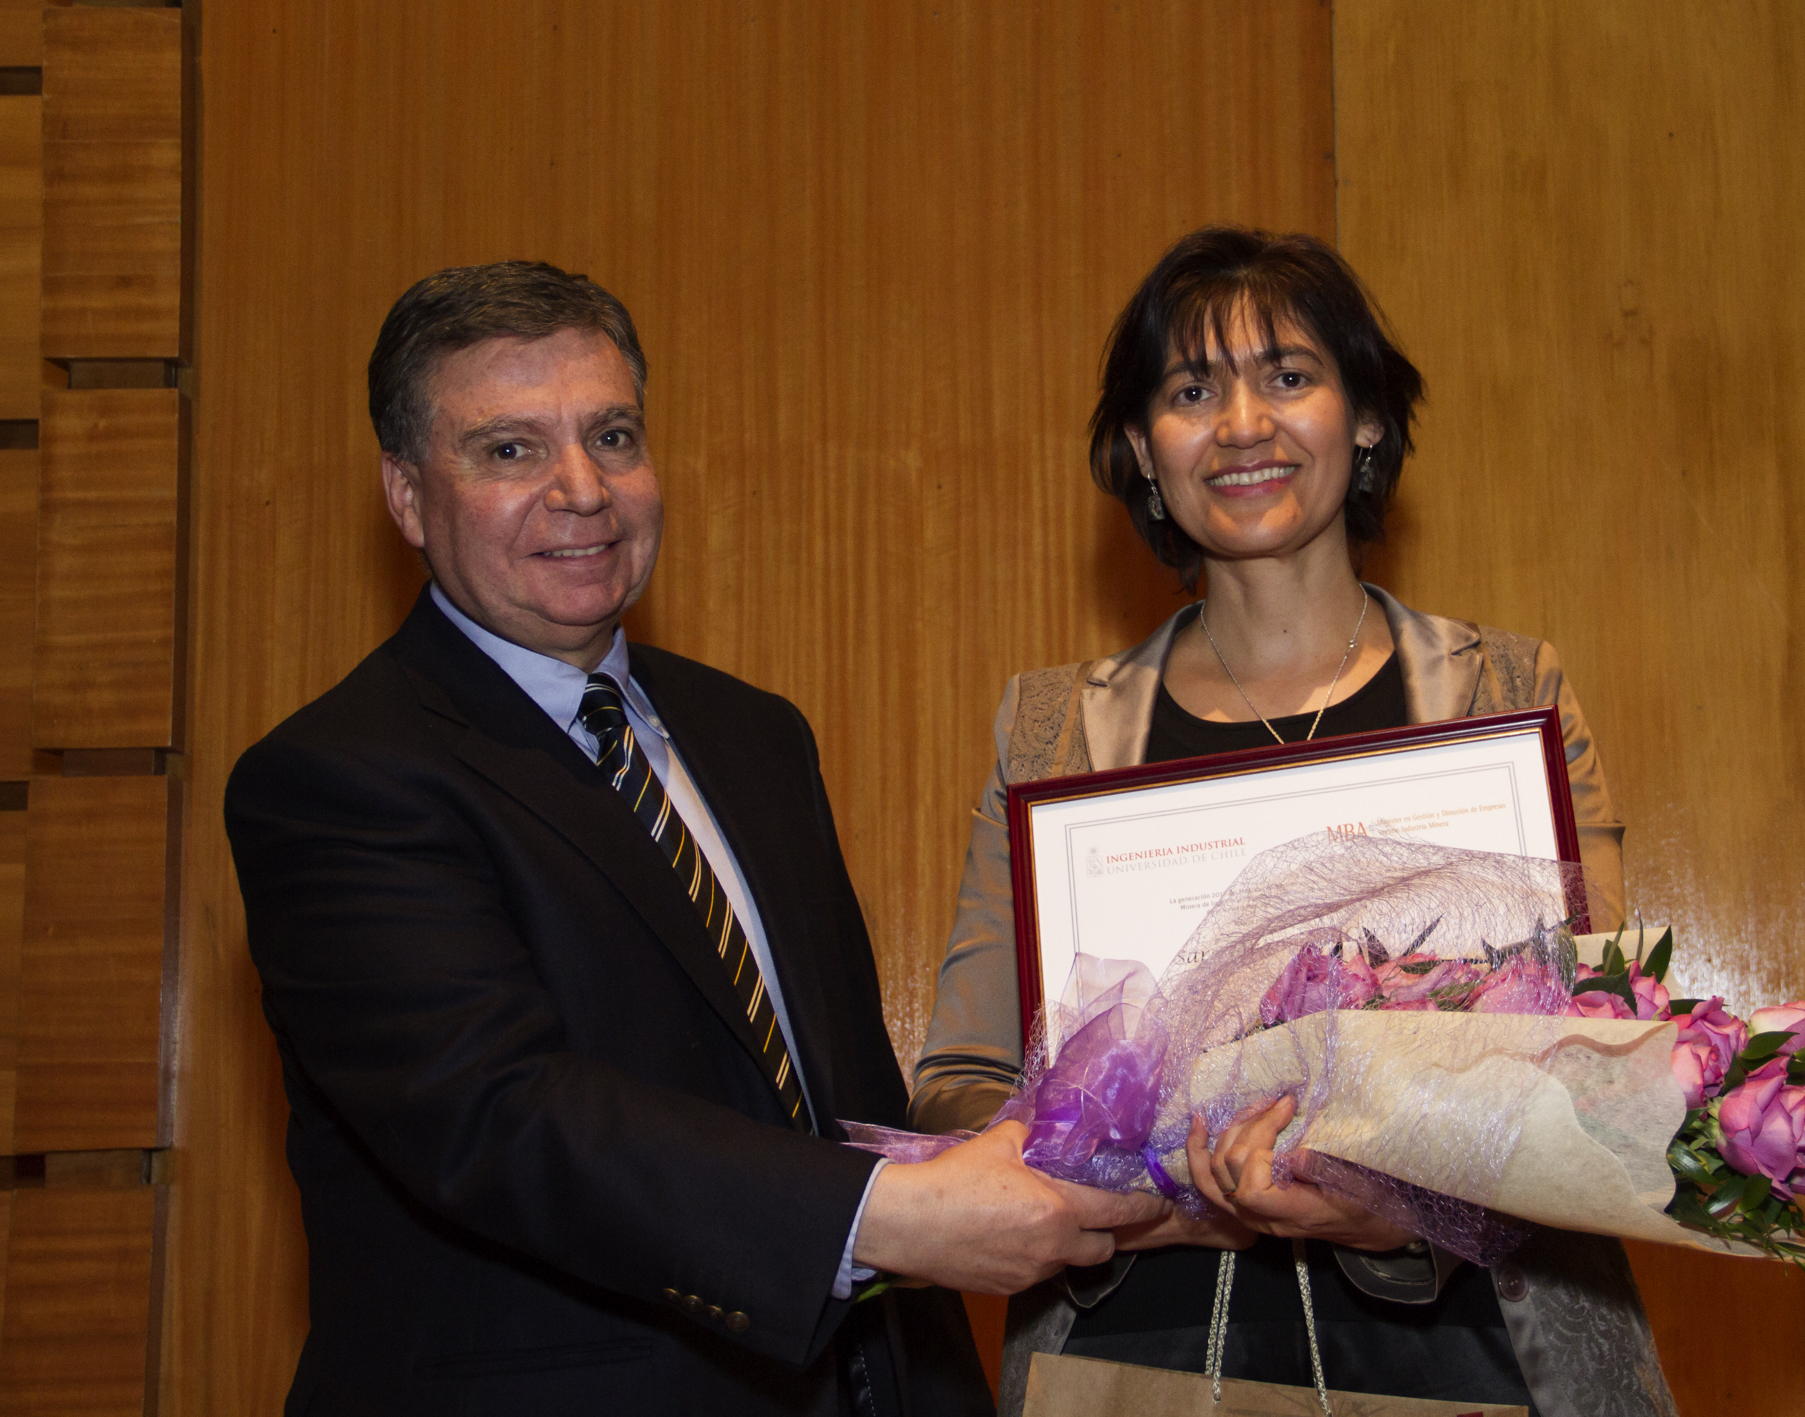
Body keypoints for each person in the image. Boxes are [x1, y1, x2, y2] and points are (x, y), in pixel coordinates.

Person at [224, 261, 1162, 1417]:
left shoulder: (753, 736)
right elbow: (497, 1117)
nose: (582, 489)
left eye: (612, 436)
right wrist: (882, 1218)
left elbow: (841, 1100)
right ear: (408, 497)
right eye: (510, 450)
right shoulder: (338, 778)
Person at [912, 229, 1676, 1417]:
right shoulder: (1055, 733)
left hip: (1472, 1355)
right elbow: (960, 1083)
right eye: (1189, 391)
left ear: (1363, 418)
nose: (1240, 425)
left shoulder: (1503, 696)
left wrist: (1401, 1198)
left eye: (1286, 375)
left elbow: (1598, 1067)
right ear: (1140, 448)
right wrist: (1133, 1183)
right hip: (1133, 1362)